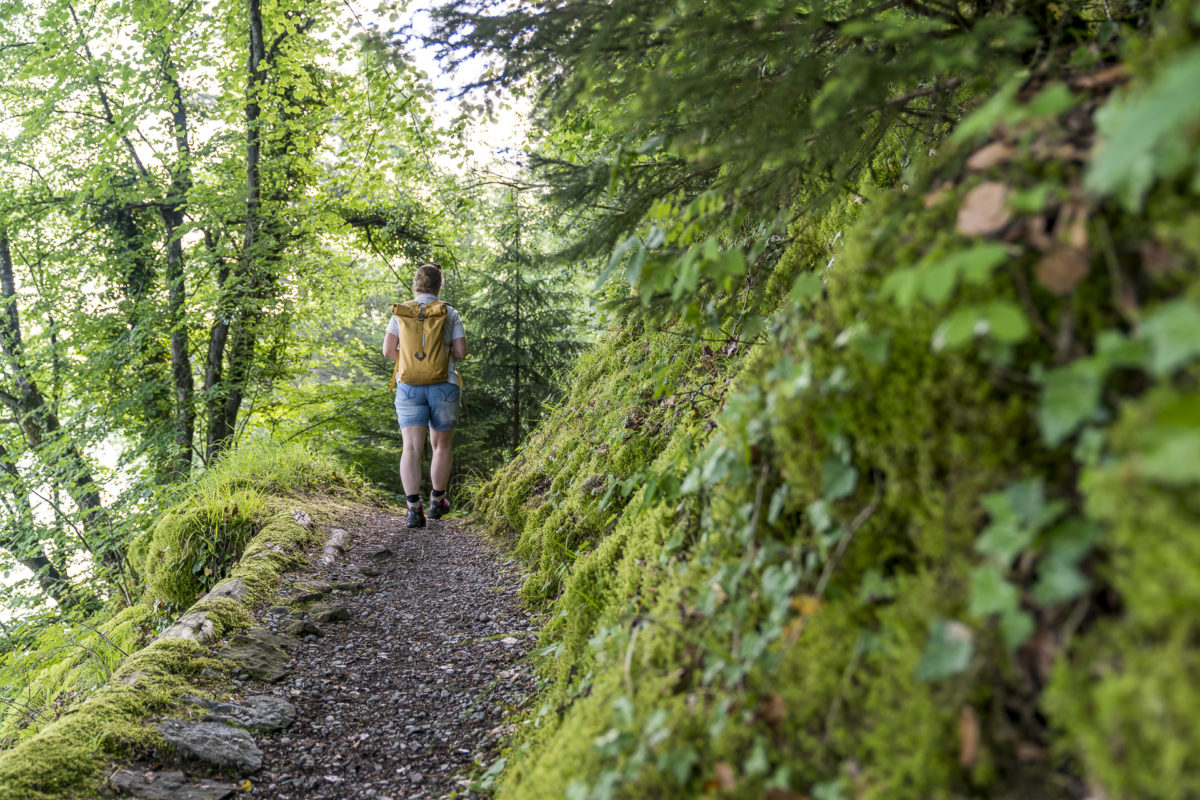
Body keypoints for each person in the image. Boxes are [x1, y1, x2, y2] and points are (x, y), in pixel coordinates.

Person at [382, 263, 467, 528]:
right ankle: (436, 502)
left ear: (417, 284)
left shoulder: (402, 312)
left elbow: (388, 350)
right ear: (439, 285)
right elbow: (461, 353)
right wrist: (439, 362)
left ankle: (413, 509)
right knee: (440, 445)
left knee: (411, 447)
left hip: (408, 386)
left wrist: (409, 363)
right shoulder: (449, 313)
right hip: (444, 384)